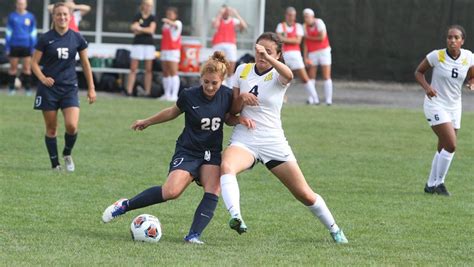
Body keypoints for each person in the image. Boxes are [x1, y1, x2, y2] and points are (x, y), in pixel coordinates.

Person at [219, 32, 348, 243]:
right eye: (259, 50)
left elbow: (289, 75)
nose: (261, 55)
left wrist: (268, 58)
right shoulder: (242, 70)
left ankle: (335, 229)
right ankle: (236, 217)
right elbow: (230, 115)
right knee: (226, 166)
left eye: (268, 52)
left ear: (278, 55)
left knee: (304, 194)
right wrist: (241, 98)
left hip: (273, 141)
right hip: (245, 139)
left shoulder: (279, 75)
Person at [102, 51, 241, 244]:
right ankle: (125, 205)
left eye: (214, 83)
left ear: (222, 81)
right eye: (206, 81)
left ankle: (193, 235)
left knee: (213, 189)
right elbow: (172, 112)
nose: (209, 87)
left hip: (211, 153)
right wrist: (147, 121)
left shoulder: (227, 95)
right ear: (201, 78)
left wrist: (240, 120)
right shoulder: (189, 95)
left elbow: (228, 117)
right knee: (171, 192)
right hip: (189, 150)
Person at [31, 2, 96, 171]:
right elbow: (34, 63)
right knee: (51, 129)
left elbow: (85, 64)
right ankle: (55, 165)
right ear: (54, 17)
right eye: (58, 14)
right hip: (49, 90)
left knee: (72, 126)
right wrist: (43, 78)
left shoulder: (77, 38)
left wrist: (91, 88)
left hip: (69, 88)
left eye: (65, 14)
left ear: (70, 16)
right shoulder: (45, 38)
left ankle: (67, 153)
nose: (62, 17)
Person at [414, 25, 474, 196]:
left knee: (443, 147)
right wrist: (427, 88)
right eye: (449, 37)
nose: (452, 40)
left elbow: (472, 73)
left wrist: (472, 81)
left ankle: (431, 184)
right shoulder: (437, 55)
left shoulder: (468, 57)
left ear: (462, 41)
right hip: (436, 104)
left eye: (456, 38)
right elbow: (418, 72)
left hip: (455, 106)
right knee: (451, 144)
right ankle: (439, 183)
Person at [276, 7, 319, 105]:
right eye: (290, 15)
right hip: (284, 55)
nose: (292, 17)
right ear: (286, 15)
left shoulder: (298, 26)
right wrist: (290, 39)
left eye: (294, 15)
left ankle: (315, 99)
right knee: (282, 78)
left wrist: (285, 38)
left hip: (296, 56)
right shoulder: (280, 25)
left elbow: (298, 41)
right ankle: (280, 98)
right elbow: (279, 39)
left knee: (305, 78)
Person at [5, 0, 37, 96]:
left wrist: (33, 47)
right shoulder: (12, 16)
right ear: (16, 5)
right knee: (13, 68)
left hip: (26, 45)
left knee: (27, 68)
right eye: (19, 3)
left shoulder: (30, 17)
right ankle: (11, 89)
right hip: (14, 45)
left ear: (26, 5)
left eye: (22, 3)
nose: (21, 5)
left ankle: (27, 90)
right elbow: (8, 33)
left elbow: (33, 33)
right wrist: (7, 47)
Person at [303, 8, 333, 105]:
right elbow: (305, 44)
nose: (306, 18)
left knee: (326, 76)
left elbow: (322, 37)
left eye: (308, 16)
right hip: (312, 53)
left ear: (312, 17)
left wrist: (308, 37)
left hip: (324, 51)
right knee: (311, 76)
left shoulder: (319, 22)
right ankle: (311, 99)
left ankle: (328, 100)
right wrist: (305, 57)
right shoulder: (304, 27)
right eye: (305, 17)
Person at [126, 0, 156, 97]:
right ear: (143, 5)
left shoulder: (152, 17)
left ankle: (147, 92)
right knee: (133, 68)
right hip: (137, 44)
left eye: (150, 6)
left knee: (148, 69)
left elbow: (151, 30)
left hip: (149, 45)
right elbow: (133, 29)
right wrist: (144, 30)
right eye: (147, 5)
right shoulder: (137, 16)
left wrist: (140, 29)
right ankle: (129, 91)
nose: (148, 7)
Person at [212, 5, 247, 86]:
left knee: (232, 62)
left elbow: (244, 26)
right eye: (225, 11)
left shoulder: (233, 20)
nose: (226, 12)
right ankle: (220, 80)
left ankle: (230, 82)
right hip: (218, 43)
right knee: (216, 62)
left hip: (230, 44)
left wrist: (236, 14)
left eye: (227, 11)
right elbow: (215, 26)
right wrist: (219, 14)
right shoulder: (217, 19)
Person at [160, 7, 182, 101]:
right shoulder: (165, 25)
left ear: (175, 15)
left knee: (173, 72)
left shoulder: (177, 23)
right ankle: (167, 94)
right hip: (165, 50)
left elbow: (174, 25)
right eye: (167, 14)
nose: (168, 16)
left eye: (171, 14)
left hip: (173, 50)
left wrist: (168, 21)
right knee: (165, 72)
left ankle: (174, 95)